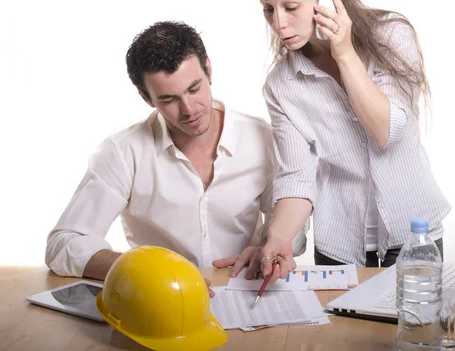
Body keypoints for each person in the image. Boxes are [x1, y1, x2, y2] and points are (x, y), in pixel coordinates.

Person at [228, 0, 451, 281]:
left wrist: (345, 53)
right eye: (268, 8)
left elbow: (388, 130)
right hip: (341, 245)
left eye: (290, 6)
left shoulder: (393, 37)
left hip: (416, 234)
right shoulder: (281, 86)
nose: (278, 23)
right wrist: (278, 239)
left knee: (414, 331)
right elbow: (297, 177)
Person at [45, 21, 307, 283]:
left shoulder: (261, 138)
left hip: (245, 289)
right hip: (161, 301)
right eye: (168, 99)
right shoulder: (123, 152)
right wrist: (147, 269)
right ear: (146, 97)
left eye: (194, 88)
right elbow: (63, 244)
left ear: (209, 70)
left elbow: (293, 226)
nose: (189, 109)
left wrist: (270, 246)